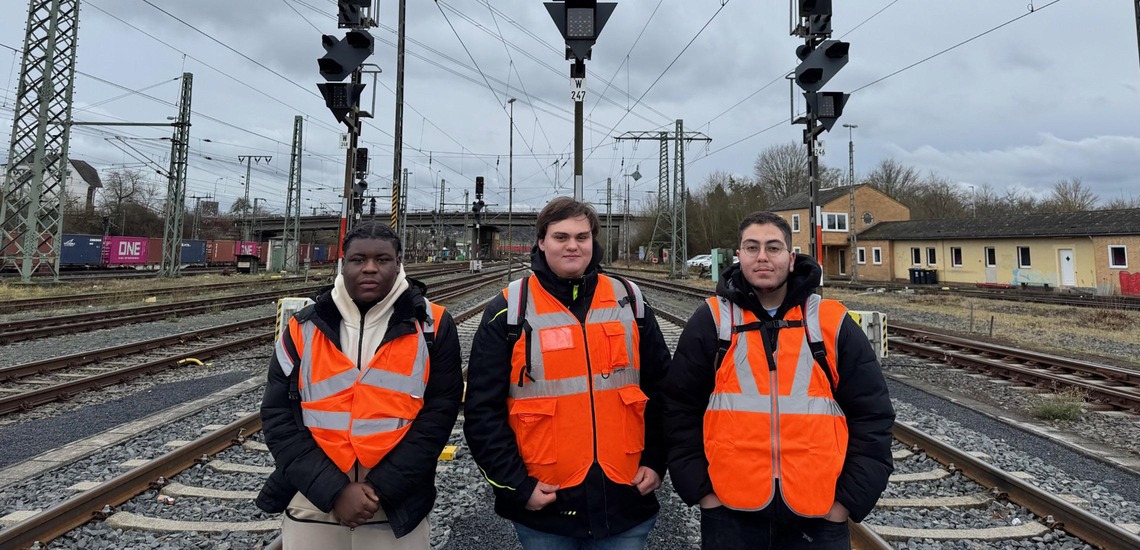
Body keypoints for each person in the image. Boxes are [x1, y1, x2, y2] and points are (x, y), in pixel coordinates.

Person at [663, 211, 895, 550]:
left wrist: (844, 503)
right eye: (752, 247)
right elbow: (678, 410)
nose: (762, 257)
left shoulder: (830, 322)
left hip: (818, 515)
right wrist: (702, 492)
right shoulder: (713, 321)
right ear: (738, 256)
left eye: (773, 248)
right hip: (730, 513)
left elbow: (872, 417)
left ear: (791, 258)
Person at [464, 197, 671, 549]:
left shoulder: (629, 302)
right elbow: (482, 410)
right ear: (541, 242)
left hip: (624, 499)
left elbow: (664, 391)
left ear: (594, 241)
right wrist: (517, 485)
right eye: (561, 237)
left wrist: (656, 461)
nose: (573, 245)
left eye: (582, 236)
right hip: (546, 507)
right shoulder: (509, 310)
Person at [257, 223, 463, 549]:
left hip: (396, 508)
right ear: (343, 263)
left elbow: (439, 415)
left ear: (399, 263)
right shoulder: (302, 327)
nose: (369, 267)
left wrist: (380, 488)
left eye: (382, 259)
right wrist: (334, 491)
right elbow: (277, 415)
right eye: (358, 259)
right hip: (314, 504)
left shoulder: (433, 326)